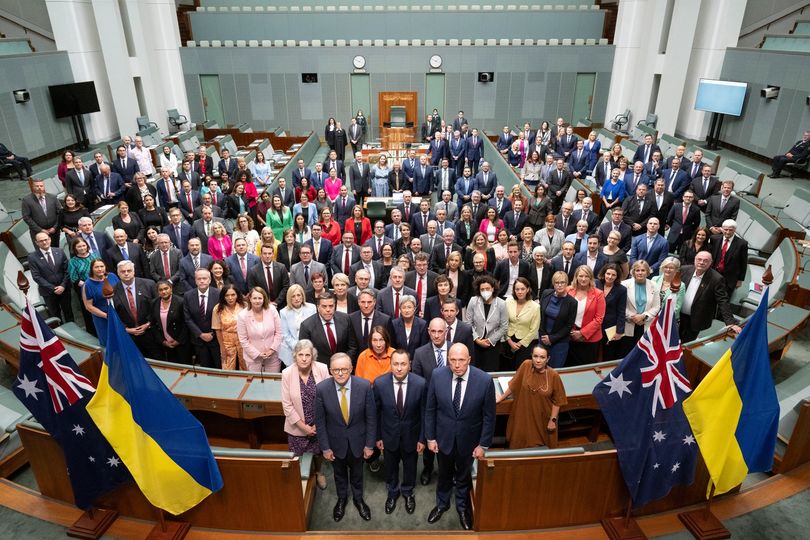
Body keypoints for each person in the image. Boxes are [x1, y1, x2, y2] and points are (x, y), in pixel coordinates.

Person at [424, 343, 496, 530]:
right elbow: (430, 409)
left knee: (463, 476)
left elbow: (489, 417)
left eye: (461, 360)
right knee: (444, 474)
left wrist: (483, 444)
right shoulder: (437, 375)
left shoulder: (484, 380)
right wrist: (430, 438)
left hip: (469, 441)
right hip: (443, 439)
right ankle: (442, 503)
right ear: (448, 360)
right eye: (453, 360)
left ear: (469, 360)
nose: (457, 365)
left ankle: (462, 507)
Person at [315, 352, 376, 522]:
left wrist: (370, 445)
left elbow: (371, 418)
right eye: (336, 370)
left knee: (357, 474)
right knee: (339, 474)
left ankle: (358, 499)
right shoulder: (321, 389)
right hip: (335, 444)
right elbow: (320, 422)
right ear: (330, 371)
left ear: (351, 369)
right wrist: (325, 448)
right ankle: (342, 499)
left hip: (359, 442)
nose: (340, 373)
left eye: (344, 369)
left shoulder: (364, 386)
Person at [374, 349, 427, 515]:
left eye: (403, 364)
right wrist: (378, 436)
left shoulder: (420, 384)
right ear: (390, 364)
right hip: (388, 436)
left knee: (410, 467)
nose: (399, 368)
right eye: (395, 364)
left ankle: (407, 491)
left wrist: (422, 439)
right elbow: (376, 413)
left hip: (412, 436)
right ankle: (392, 492)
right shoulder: (379, 383)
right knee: (390, 467)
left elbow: (424, 413)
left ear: (409, 365)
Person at [497, 345, 567, 449]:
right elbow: (514, 385)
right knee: (519, 443)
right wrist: (501, 398)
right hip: (523, 414)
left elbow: (558, 401)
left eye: (542, 357)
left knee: (541, 449)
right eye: (535, 356)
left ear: (548, 359)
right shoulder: (525, 365)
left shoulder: (553, 375)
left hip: (542, 418)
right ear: (532, 356)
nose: (538, 360)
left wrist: (552, 420)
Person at [282, 339, 330, 490]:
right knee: (298, 456)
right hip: (297, 426)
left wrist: (317, 425)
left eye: (307, 355)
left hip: (319, 424)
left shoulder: (322, 369)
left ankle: (318, 472)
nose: (304, 358)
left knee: (318, 453)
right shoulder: (287, 373)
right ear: (295, 356)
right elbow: (287, 405)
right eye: (300, 354)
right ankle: (300, 478)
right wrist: (304, 427)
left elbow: (329, 398)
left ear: (313, 356)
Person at [679, 251, 741, 343]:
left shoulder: (716, 279)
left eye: (705, 260)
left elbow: (723, 301)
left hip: (696, 319)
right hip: (677, 316)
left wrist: (730, 322)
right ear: (695, 259)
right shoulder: (683, 270)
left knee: (685, 345)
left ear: (710, 263)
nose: (701, 262)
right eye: (699, 259)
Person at [299, 291, 358, 364]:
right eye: (324, 306)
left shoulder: (346, 319)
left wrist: (344, 363)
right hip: (319, 370)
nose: (328, 310)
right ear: (318, 307)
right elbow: (305, 353)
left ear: (335, 306)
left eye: (331, 306)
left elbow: (352, 346)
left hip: (343, 367)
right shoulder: (306, 326)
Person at [464, 275, 508, 372]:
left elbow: (504, 326)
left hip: (493, 345)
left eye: (487, 288)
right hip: (476, 344)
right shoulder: (473, 301)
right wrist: (477, 339)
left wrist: (490, 340)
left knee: (491, 372)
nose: (485, 291)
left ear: (493, 288)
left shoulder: (501, 303)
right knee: (475, 372)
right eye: (482, 289)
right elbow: (468, 323)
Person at [566, 265, 606, 366]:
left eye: (586, 276)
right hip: (569, 337)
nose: (583, 279)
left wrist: (582, 333)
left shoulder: (599, 294)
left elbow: (599, 318)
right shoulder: (568, 291)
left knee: (586, 368)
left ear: (591, 278)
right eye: (581, 276)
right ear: (576, 277)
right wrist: (570, 331)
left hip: (590, 339)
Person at [29, 232, 73, 323]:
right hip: (48, 292)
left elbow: (67, 270)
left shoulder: (59, 251)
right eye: (41, 241)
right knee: (55, 315)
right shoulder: (32, 257)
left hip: (64, 289)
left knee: (69, 312)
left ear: (50, 239)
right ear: (36, 243)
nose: (44, 242)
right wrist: (53, 288)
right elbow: (36, 276)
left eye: (46, 239)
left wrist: (63, 286)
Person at [620, 260, 661, 356]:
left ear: (647, 272)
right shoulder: (624, 284)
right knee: (625, 352)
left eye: (643, 270)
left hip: (645, 323)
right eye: (637, 270)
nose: (640, 273)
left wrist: (643, 316)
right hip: (628, 323)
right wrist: (633, 317)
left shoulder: (654, 285)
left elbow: (656, 306)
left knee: (641, 353)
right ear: (633, 272)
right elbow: (621, 306)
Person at [237, 287, 283, 372]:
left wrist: (272, 349)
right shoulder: (242, 316)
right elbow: (243, 340)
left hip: (272, 357)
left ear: (264, 299)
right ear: (250, 299)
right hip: (253, 359)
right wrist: (258, 354)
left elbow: (279, 333)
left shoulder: (272, 310)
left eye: (260, 298)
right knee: (256, 384)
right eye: (254, 298)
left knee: (271, 383)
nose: (257, 301)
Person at [183, 268, 222, 368]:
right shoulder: (188, 296)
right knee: (204, 368)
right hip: (199, 341)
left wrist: (212, 333)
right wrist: (200, 334)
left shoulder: (218, 294)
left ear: (209, 280)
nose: (202, 281)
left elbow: (222, 316)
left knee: (219, 366)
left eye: (204, 278)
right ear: (195, 281)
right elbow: (188, 318)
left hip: (216, 339)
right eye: (199, 278)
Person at [539, 271, 577, 368]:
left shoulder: (572, 302)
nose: (559, 285)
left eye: (562, 282)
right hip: (543, 338)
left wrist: (551, 338)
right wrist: (544, 336)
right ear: (553, 283)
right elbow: (541, 316)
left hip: (560, 342)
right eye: (557, 283)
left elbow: (569, 325)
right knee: (539, 368)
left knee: (554, 371)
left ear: (567, 283)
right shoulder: (546, 293)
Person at [151, 280, 191, 364]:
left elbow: (186, 324)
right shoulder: (154, 303)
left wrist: (178, 341)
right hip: (165, 343)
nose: (164, 291)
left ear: (171, 289)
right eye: (160, 290)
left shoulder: (181, 302)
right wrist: (163, 341)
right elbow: (154, 324)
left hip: (181, 342)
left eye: (166, 288)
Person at [504, 277, 541, 369]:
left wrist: (520, 344)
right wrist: (509, 340)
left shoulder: (535, 307)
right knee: (507, 367)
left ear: (528, 289)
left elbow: (534, 329)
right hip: (508, 340)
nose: (520, 292)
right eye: (517, 289)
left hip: (525, 343)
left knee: (521, 370)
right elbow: (503, 323)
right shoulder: (508, 302)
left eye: (523, 289)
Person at [82, 259, 119, 346]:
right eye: (96, 267)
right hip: (102, 318)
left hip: (118, 314)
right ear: (92, 269)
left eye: (102, 266)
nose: (99, 269)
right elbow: (88, 306)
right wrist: (106, 316)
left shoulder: (112, 276)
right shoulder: (88, 284)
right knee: (110, 344)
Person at [211, 283, 246, 370]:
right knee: (227, 368)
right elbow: (217, 330)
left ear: (237, 295)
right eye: (227, 295)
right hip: (227, 341)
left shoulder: (244, 306)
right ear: (223, 296)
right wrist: (222, 348)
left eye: (233, 295)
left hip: (243, 340)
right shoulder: (218, 308)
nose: (230, 298)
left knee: (246, 366)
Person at [710, 219, 748, 297]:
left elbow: (743, 262)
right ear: (722, 229)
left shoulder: (742, 244)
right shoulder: (714, 239)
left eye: (730, 230)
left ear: (734, 230)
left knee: (724, 298)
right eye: (725, 229)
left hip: (730, 278)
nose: (727, 232)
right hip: (714, 273)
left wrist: (740, 280)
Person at [596, 264, 627, 361]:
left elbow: (621, 311)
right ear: (603, 273)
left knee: (608, 354)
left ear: (617, 276)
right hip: (594, 324)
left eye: (613, 275)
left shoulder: (621, 290)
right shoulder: (595, 284)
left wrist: (619, 331)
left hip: (610, 327)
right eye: (608, 273)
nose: (610, 277)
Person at [22, 179, 62, 246]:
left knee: (55, 251)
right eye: (37, 186)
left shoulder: (52, 197)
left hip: (54, 232)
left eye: (41, 186)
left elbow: (60, 213)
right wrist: (40, 230)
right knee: (42, 253)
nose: (39, 188)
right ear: (33, 187)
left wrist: (55, 227)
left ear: (44, 186)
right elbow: (26, 217)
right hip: (38, 233)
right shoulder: (27, 200)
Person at [390, 295, 429, 361]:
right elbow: (392, 347)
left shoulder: (422, 324)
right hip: (399, 361)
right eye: (404, 307)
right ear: (400, 309)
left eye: (409, 307)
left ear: (414, 308)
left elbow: (423, 348)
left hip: (417, 361)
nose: (406, 310)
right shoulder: (394, 324)